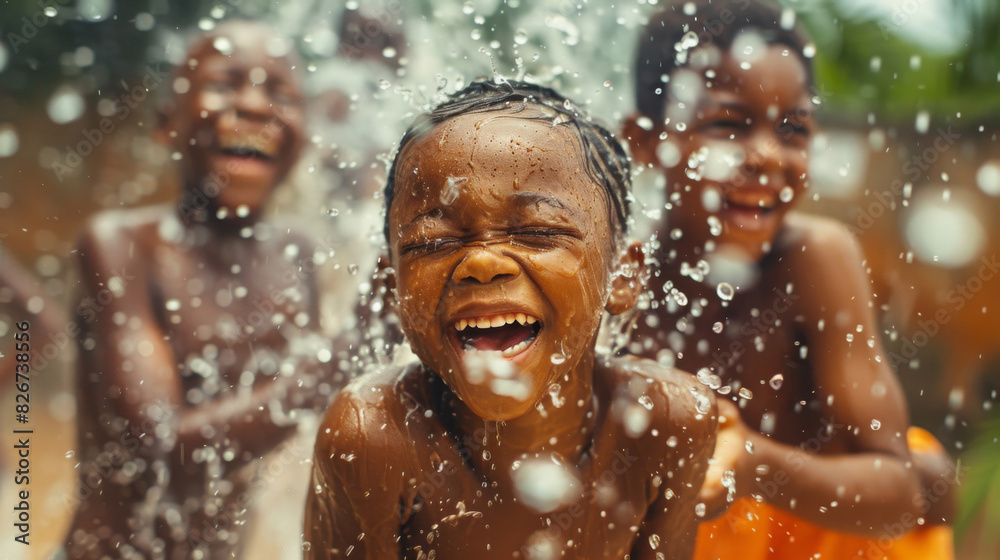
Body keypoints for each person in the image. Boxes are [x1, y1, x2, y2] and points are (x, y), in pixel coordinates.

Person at [304, 80, 718, 559]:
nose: (482, 263)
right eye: (432, 242)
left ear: (623, 273)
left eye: (539, 231)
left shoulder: (667, 424)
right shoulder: (374, 438)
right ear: (392, 288)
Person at [622, 1, 956, 558]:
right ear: (646, 142)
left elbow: (901, 492)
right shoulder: (622, 278)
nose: (766, 157)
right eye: (727, 124)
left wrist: (750, 463)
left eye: (793, 129)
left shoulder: (812, 259)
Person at [64, 21, 336, 560]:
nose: (255, 107)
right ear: (168, 122)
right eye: (226, 83)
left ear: (304, 134)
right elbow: (160, 450)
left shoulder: (297, 253)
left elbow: (297, 429)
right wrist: (338, 364)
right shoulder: (122, 246)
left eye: (281, 93)